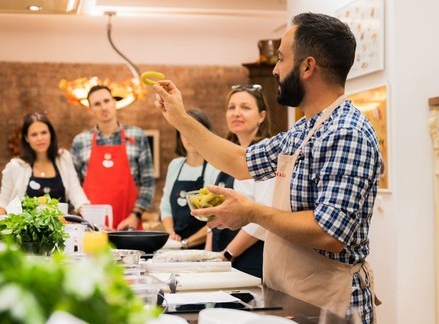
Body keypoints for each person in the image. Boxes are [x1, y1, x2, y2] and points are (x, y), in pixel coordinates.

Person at [152, 12, 382, 323]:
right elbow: (239, 161)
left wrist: (251, 212)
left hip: (332, 304)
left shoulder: (347, 132)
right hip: (291, 298)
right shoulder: (303, 131)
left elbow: (328, 232)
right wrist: (180, 119)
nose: (274, 69)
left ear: (307, 66)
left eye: (282, 59)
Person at [205, 84, 275, 278]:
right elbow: (214, 211)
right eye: (231, 107)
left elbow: (262, 218)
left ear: (261, 116)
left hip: (248, 260)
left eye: (245, 107)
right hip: (222, 259)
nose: (236, 113)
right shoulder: (228, 156)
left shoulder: (267, 156)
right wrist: (209, 255)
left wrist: (228, 254)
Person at [71, 85, 154, 230]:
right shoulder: (80, 141)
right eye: (97, 104)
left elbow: (148, 184)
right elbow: (73, 187)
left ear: (114, 103)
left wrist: (135, 216)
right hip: (92, 230)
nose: (103, 107)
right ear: (90, 110)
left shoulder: (137, 136)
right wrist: (89, 220)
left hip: (128, 228)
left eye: (106, 101)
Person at [0, 112, 90, 214]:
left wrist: (86, 210)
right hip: (25, 228)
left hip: (62, 227)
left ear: (51, 134)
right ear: (26, 138)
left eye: (44, 133)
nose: (40, 138)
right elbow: (2, 202)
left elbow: (75, 191)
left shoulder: (63, 158)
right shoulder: (15, 166)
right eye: (34, 134)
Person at [160, 108, 219, 250]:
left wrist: (186, 243)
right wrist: (171, 234)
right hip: (176, 245)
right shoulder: (175, 165)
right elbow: (166, 207)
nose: (189, 136)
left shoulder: (215, 167)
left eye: (194, 129)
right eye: (184, 130)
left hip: (204, 247)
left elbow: (217, 218)